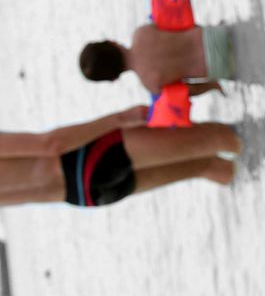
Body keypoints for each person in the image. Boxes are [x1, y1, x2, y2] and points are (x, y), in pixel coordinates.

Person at [0, 106, 241, 207]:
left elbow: (34, 193)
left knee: (207, 166)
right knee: (218, 137)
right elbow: (50, 145)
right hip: (90, 158)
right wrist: (119, 119)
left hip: (88, 195)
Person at [79, 23, 233, 96]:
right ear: (111, 42)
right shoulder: (141, 33)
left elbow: (190, 90)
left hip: (218, 67)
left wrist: (213, 85)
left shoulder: (150, 83)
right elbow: (183, 23)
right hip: (214, 36)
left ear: (113, 78)